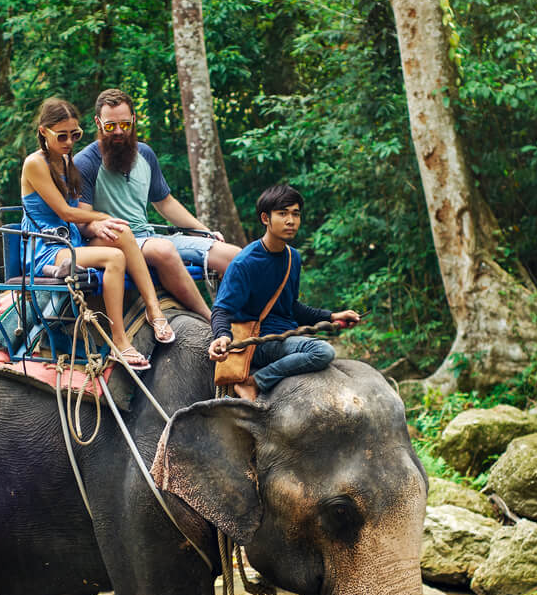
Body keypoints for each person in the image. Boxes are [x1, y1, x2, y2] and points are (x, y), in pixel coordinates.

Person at [19, 97, 173, 370]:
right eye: (62, 136)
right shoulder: (35, 163)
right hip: (48, 245)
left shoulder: (67, 160)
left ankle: (154, 309)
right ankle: (119, 342)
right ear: (44, 131)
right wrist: (100, 216)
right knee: (114, 258)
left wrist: (101, 225)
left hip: (71, 240)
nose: (69, 142)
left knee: (121, 231)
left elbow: (78, 210)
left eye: (74, 135)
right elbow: (66, 213)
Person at [73, 88, 240, 318]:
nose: (119, 131)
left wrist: (204, 232)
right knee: (164, 249)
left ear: (133, 119)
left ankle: (248, 319)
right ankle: (210, 319)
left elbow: (165, 203)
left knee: (235, 256)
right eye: (111, 126)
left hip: (149, 235)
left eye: (125, 124)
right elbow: (82, 219)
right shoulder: (85, 162)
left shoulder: (145, 154)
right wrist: (99, 226)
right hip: (115, 242)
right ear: (98, 123)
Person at [206, 183, 360, 400]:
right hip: (258, 341)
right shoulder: (245, 262)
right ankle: (255, 382)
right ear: (265, 219)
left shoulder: (293, 257)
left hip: (286, 335)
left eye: (295, 214)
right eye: (283, 214)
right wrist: (222, 336)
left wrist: (332, 316)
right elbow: (222, 309)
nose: (291, 221)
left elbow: (291, 307)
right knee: (322, 351)